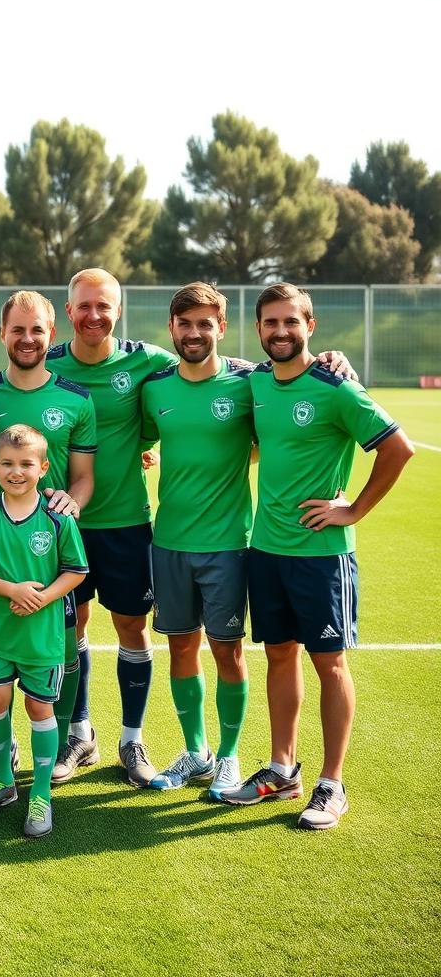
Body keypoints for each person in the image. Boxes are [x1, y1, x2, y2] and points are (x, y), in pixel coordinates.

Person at [221, 284, 413, 829]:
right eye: (270, 323)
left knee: (328, 662)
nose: (280, 332)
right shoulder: (254, 380)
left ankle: (332, 783)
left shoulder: (336, 388)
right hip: (266, 548)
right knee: (279, 655)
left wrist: (353, 509)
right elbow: (205, 359)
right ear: (258, 330)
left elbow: (398, 448)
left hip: (322, 556)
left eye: (290, 322)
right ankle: (282, 770)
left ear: (311, 325)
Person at [45, 268, 177, 786]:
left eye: (104, 306)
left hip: (125, 522)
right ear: (69, 310)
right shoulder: (47, 364)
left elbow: (215, 366)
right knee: (68, 629)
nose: (94, 315)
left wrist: (328, 360)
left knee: (131, 627)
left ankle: (132, 738)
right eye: (84, 306)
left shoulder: (146, 361)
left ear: (117, 310)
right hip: (61, 523)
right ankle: (80, 734)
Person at [0, 290, 96, 790]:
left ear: (51, 335)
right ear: (2, 334)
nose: (26, 339)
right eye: (17, 330)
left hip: (50, 552)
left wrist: (72, 505)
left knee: (60, 651)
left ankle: (62, 741)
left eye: (36, 330)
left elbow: (83, 477)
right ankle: (3, 757)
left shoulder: (76, 399)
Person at [139, 283, 255, 798]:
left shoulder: (249, 383)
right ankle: (196, 752)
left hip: (228, 543)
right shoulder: (156, 388)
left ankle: (229, 757)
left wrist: (332, 357)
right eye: (185, 324)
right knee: (180, 647)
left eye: (205, 323)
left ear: (221, 328)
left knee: (227, 651)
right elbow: (140, 439)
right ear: (171, 328)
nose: (194, 333)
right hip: (169, 542)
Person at [0, 425, 88, 837]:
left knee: (38, 709)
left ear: (43, 467)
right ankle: (4, 782)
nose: (17, 472)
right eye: (8, 464)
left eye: (27, 464)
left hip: (42, 635)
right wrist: (11, 589)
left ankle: (42, 793)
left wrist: (43, 597)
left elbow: (76, 571)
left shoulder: (57, 517)